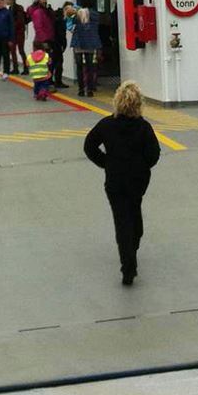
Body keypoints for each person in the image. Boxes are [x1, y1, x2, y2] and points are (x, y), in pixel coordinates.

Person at [83, 80, 161, 286]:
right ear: (138, 104)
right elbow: (154, 154)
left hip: (115, 180)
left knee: (121, 221)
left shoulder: (106, 125)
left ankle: (128, 264)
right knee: (134, 213)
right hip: (138, 181)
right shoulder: (144, 127)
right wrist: (143, 166)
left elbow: (89, 145)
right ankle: (132, 251)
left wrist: (106, 162)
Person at [70, 5, 102, 97]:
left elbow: (70, 24)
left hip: (78, 42)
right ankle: (90, 90)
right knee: (90, 67)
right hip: (90, 42)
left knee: (79, 67)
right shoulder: (95, 15)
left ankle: (81, 89)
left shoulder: (77, 14)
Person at [8, 0, 28, 71]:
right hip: (15, 33)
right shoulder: (10, 8)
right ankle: (16, 68)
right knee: (13, 51)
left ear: (11, 0)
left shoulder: (19, 8)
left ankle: (26, 68)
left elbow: (19, 21)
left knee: (21, 50)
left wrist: (12, 27)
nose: (6, 1)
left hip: (19, 32)